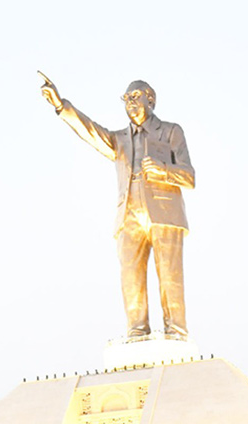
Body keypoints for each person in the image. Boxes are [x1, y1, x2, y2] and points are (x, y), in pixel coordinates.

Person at [41, 76, 194, 340]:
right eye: (126, 99)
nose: (130, 103)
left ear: (151, 99)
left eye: (135, 96)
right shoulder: (119, 139)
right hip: (129, 213)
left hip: (165, 212)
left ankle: (176, 333)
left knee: (170, 276)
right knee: (130, 278)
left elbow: (189, 176)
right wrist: (60, 106)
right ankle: (137, 333)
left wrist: (163, 170)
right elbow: (89, 131)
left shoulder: (171, 132)